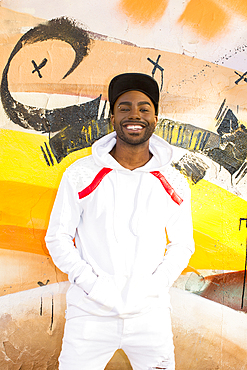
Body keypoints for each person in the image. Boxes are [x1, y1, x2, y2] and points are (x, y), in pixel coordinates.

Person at [45, 72, 195, 370]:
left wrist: (153, 288)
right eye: (124, 107)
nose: (134, 115)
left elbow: (182, 244)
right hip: (90, 314)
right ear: (113, 116)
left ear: (155, 117)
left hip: (149, 317)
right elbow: (57, 238)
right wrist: (93, 286)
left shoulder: (173, 180)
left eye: (144, 108)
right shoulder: (82, 174)